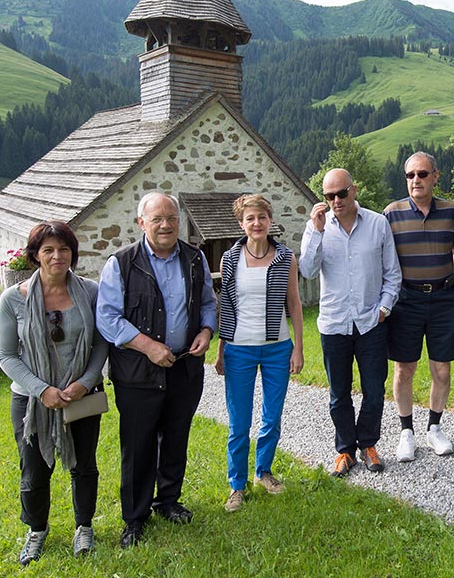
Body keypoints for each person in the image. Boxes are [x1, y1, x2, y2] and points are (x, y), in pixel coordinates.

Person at [95, 192, 218, 548]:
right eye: (157, 219)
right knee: (138, 444)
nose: (166, 225)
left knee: (176, 437)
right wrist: (147, 346)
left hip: (184, 368)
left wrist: (206, 332)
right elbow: (107, 317)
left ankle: (168, 501)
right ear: (141, 223)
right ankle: (134, 518)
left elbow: (208, 303)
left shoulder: (194, 259)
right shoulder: (120, 264)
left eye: (172, 218)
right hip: (138, 373)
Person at [0, 220, 108, 565]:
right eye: (48, 250)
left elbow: (102, 342)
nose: (57, 256)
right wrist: (41, 390)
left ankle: (83, 527)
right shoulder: (13, 299)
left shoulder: (90, 291)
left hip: (82, 394)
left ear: (72, 253)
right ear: (35, 256)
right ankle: (36, 531)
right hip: (30, 400)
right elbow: (6, 355)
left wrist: (85, 382)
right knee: (33, 469)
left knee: (84, 465)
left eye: (63, 249)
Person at [300, 168, 402, 476]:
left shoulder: (377, 224)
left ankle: (368, 444)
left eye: (341, 194)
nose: (335, 201)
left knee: (374, 389)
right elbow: (306, 269)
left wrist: (383, 309)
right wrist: (316, 231)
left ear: (353, 190)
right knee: (338, 393)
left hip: (371, 322)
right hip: (334, 324)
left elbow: (392, 273)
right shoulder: (317, 227)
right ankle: (345, 450)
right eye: (328, 196)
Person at [214, 194, 305, 512]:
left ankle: (263, 472)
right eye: (250, 218)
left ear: (270, 221)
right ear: (241, 223)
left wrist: (298, 349)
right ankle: (236, 485)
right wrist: (221, 349)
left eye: (262, 217)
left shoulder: (285, 258)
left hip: (277, 349)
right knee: (239, 423)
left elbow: (294, 305)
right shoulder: (229, 259)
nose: (257, 223)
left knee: (272, 416)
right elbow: (225, 305)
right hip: (239, 349)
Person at [383, 151, 454, 461]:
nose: (415, 180)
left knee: (441, 369)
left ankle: (434, 428)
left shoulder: (452, 212)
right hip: (407, 300)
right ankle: (406, 432)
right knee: (404, 369)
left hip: (444, 298)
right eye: (410, 175)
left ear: (435, 176)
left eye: (422, 174)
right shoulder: (390, 213)